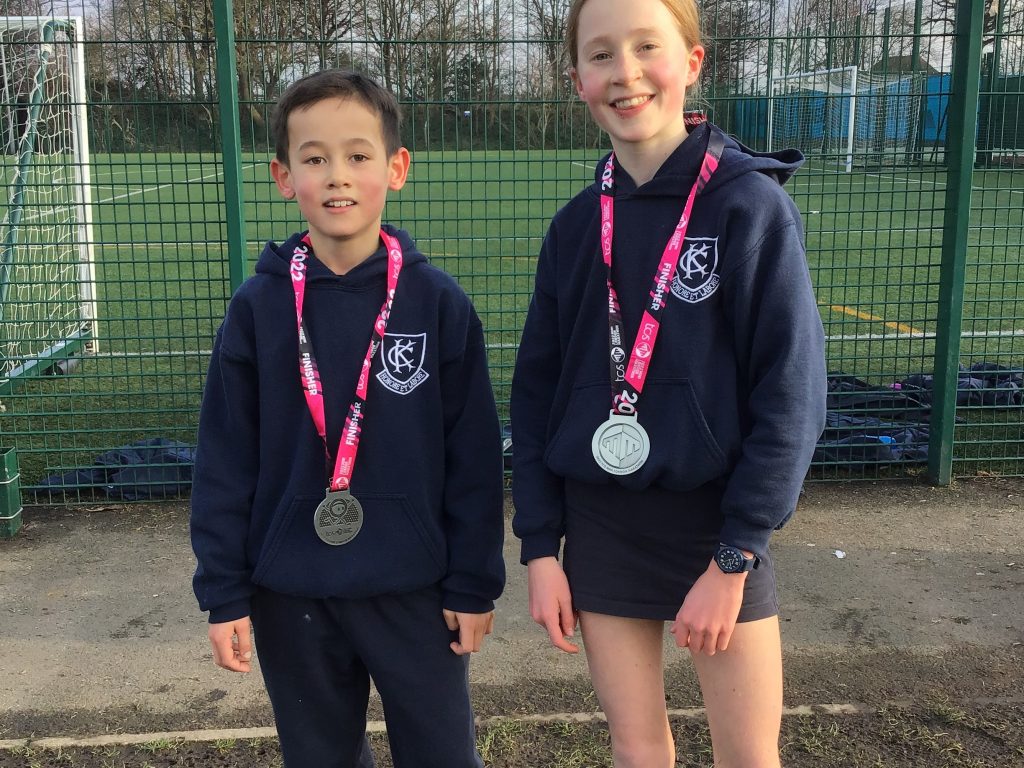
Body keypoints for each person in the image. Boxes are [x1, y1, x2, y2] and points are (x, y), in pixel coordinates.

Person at [510, 1, 827, 766]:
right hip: (602, 527)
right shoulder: (576, 226)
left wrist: (736, 555)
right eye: (600, 55)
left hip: (717, 531)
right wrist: (540, 548)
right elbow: (535, 391)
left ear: (691, 61)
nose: (624, 72)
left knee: (749, 756)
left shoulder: (752, 209)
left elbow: (791, 398)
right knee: (638, 748)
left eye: (646, 47)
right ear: (577, 79)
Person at [189, 69, 505, 768]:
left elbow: (475, 460)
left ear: (397, 168)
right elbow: (225, 459)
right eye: (314, 158)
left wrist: (474, 581)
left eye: (358, 156)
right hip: (289, 593)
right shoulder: (257, 309)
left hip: (415, 590)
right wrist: (224, 592)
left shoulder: (437, 305)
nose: (337, 176)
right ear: (283, 175)